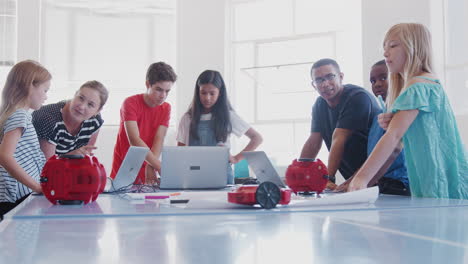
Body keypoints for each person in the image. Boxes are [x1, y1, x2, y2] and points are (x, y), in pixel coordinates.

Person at [348, 23, 468, 199]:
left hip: (437, 181)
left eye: (393, 45)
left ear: (415, 48)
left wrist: (360, 179)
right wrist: (368, 182)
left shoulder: (417, 86)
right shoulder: (430, 83)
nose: (385, 52)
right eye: (384, 47)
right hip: (440, 178)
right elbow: (396, 148)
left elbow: (393, 137)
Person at [300, 58, 381, 189]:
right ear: (313, 84)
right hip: (355, 176)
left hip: (378, 174)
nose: (325, 84)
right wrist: (299, 174)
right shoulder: (319, 105)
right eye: (319, 80)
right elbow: (313, 143)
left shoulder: (357, 97)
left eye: (330, 77)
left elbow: (339, 138)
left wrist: (328, 178)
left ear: (341, 77)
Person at [176, 70, 263, 184]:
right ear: (198, 92)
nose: (207, 98)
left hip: (223, 178)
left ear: (220, 93)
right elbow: (180, 152)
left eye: (212, 93)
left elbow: (257, 138)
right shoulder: (187, 118)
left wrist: (236, 159)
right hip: (194, 177)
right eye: (203, 93)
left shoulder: (229, 116)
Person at [111, 62, 177, 185]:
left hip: (149, 167)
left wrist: (151, 166)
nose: (163, 96)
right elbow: (134, 140)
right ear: (148, 84)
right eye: (159, 89)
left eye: (167, 91)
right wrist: (159, 166)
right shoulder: (130, 103)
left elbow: (159, 139)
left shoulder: (166, 108)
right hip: (125, 168)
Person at [0, 60, 51, 219]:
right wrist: (37, 187)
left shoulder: (16, 115)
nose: (46, 96)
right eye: (45, 90)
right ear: (30, 86)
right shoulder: (19, 116)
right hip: (14, 197)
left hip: (17, 196)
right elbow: (4, 156)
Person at [32, 80, 108, 160]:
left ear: (98, 110)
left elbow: (85, 157)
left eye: (90, 104)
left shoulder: (94, 121)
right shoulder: (48, 119)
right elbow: (47, 166)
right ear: (75, 94)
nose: (82, 106)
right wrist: (69, 155)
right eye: (81, 98)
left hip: (65, 168)